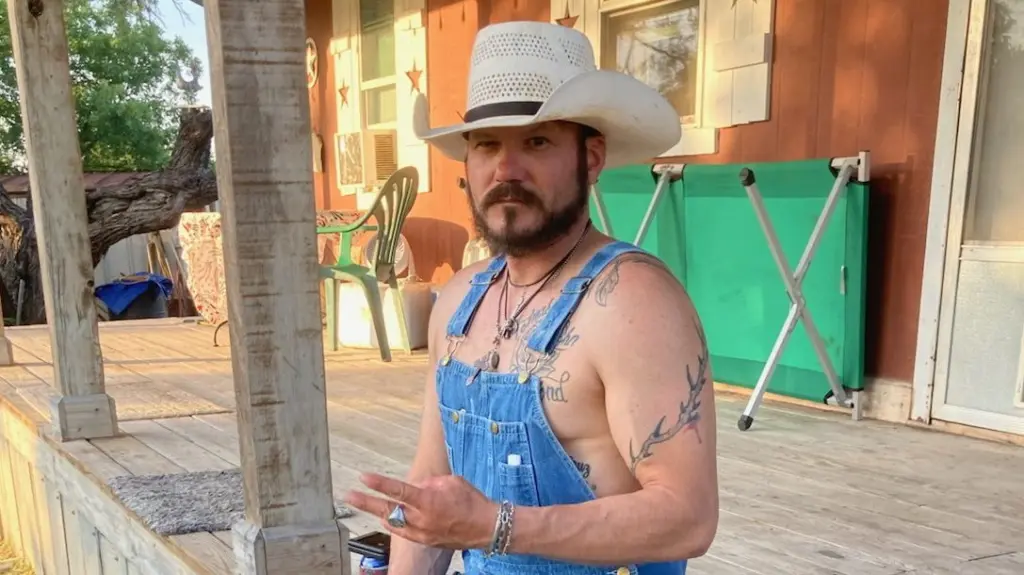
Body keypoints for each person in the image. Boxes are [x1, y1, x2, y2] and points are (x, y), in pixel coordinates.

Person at [344, 20, 719, 575]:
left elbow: (688, 518)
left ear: (591, 158)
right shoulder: (459, 299)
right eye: (487, 145)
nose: (506, 170)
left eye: (537, 142)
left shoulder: (633, 301)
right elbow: (431, 485)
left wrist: (493, 526)